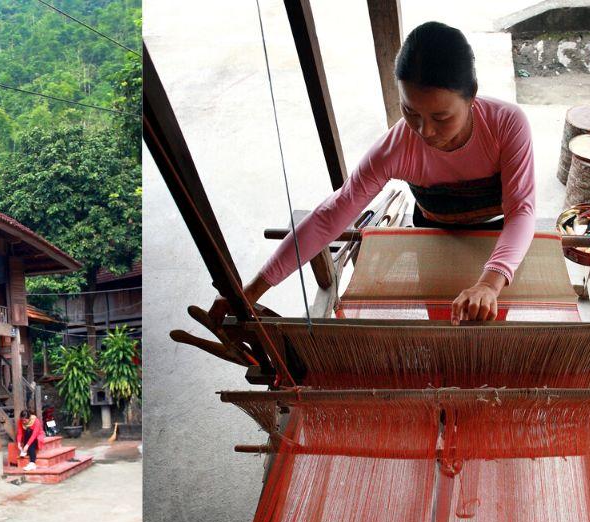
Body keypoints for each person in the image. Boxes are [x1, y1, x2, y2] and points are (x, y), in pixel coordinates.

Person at [210, 21, 536, 323]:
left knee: (489, 321)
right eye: (410, 111)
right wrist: (250, 292)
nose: (425, 131)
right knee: (445, 323)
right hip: (434, 234)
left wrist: (490, 284)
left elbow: (520, 211)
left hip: (499, 235)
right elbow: (332, 214)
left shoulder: (507, 125)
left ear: (472, 96)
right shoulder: (397, 148)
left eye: (441, 117)